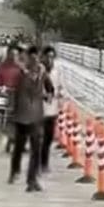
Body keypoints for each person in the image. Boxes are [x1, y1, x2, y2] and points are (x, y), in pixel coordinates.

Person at [7, 50, 49, 192]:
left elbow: (49, 89)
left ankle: (30, 180)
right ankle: (17, 172)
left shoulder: (41, 74)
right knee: (20, 147)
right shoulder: (20, 75)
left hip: (34, 117)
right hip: (22, 116)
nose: (35, 67)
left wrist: (47, 95)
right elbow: (12, 92)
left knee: (34, 149)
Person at [38, 46, 61, 174]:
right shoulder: (39, 72)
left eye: (52, 57)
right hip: (38, 109)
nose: (49, 59)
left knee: (48, 138)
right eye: (47, 57)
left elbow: (61, 87)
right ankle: (39, 163)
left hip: (52, 110)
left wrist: (62, 99)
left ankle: (44, 163)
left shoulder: (57, 71)